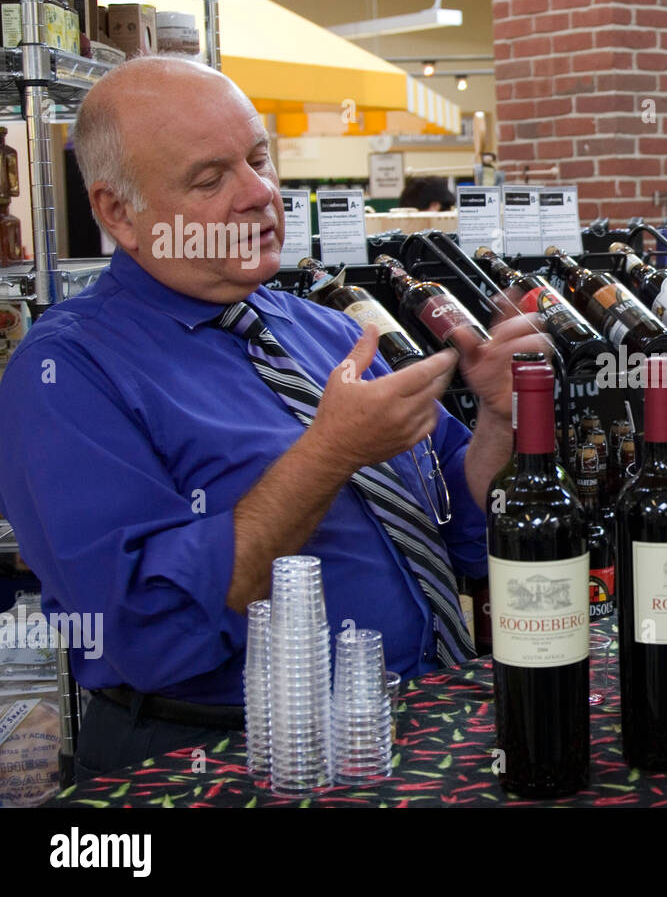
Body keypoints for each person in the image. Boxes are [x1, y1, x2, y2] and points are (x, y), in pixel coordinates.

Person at [0, 57, 545, 779]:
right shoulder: (67, 372)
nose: (258, 194)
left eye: (260, 159)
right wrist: (328, 454)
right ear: (117, 212)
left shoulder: (317, 329)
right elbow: (149, 633)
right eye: (210, 178)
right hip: (221, 763)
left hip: (414, 734)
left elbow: (468, 531)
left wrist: (500, 423)